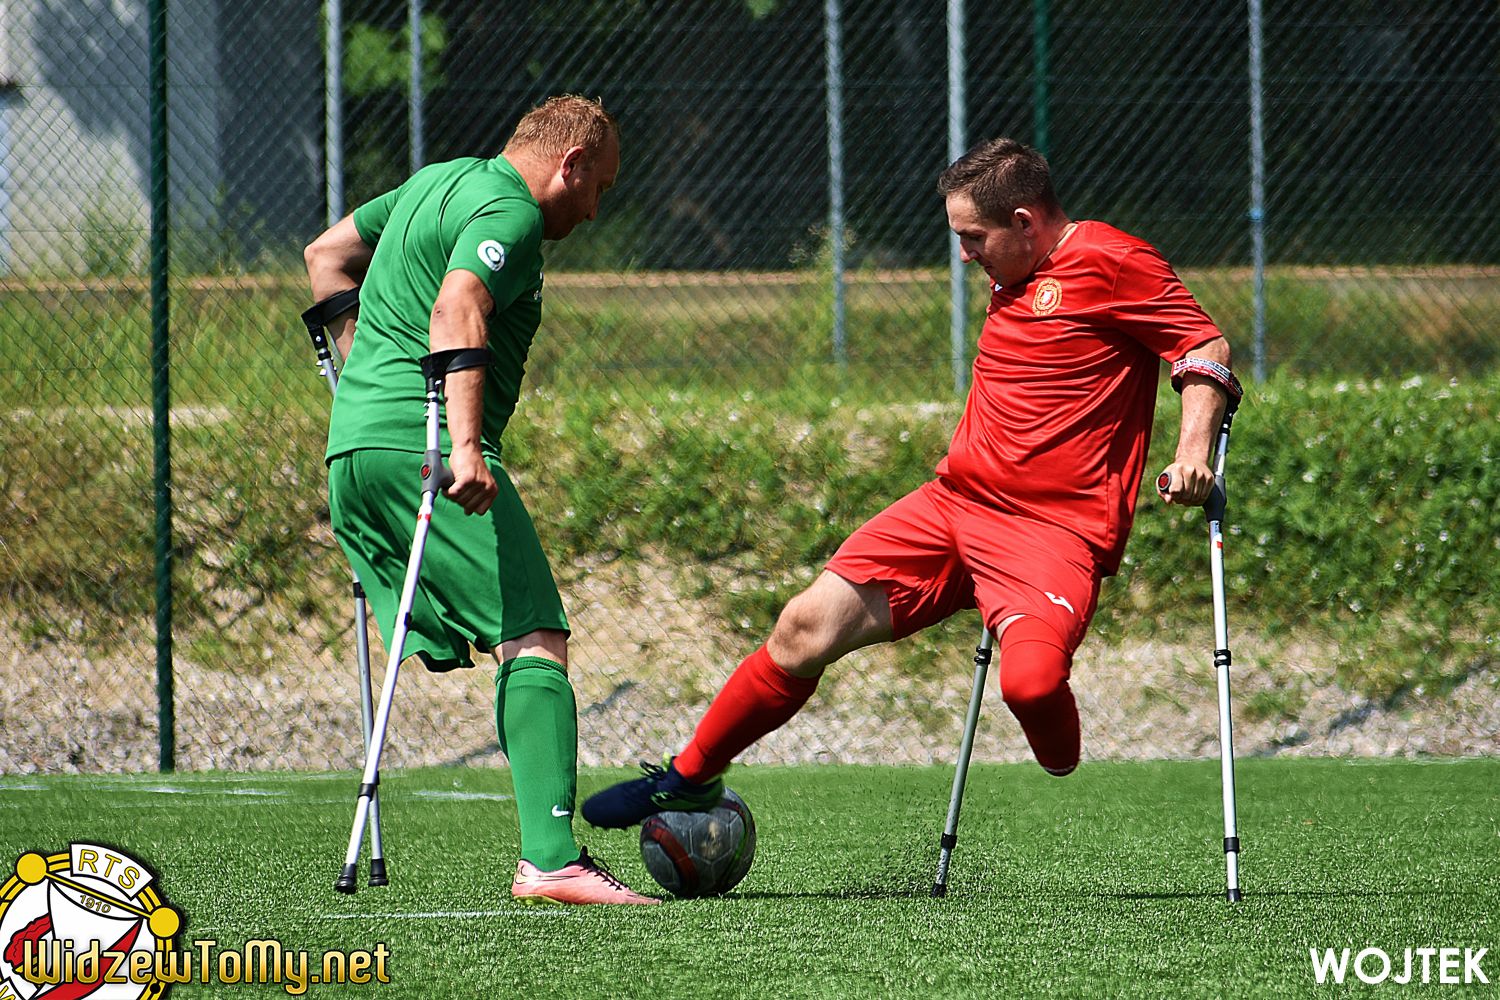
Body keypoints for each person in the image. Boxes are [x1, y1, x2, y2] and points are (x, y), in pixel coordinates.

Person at [582, 136, 1242, 828]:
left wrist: (1191, 452)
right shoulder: (1014, 266)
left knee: (1030, 685)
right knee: (803, 627)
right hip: (952, 506)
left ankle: (1059, 750)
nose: (965, 256)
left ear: (1025, 222)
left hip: (1050, 532)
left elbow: (1205, 345)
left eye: (973, 237)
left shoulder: (1112, 260)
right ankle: (689, 777)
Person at [303, 95, 656, 904]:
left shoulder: (436, 182)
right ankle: (552, 861)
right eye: (598, 188)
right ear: (569, 164)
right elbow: (458, 304)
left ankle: (551, 856)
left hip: (354, 447)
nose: (595, 211)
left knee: (519, 628)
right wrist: (462, 446)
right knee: (533, 633)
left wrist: (362, 381)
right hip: (423, 447)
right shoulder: (512, 212)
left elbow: (327, 255)